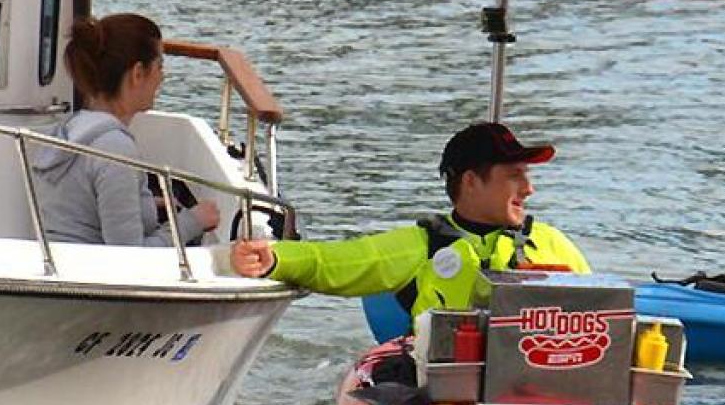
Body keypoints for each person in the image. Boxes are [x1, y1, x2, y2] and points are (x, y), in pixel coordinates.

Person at [228, 120, 589, 313]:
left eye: (527, 176)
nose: (528, 189)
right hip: (452, 397)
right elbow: (338, 261)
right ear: (471, 181)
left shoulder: (552, 243)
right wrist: (274, 257)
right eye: (514, 176)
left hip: (541, 387)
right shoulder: (423, 246)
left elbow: (602, 307)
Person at [31, 13, 222, 247]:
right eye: (159, 66)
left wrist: (146, 204)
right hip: (93, 278)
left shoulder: (70, 130)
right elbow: (129, 258)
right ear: (138, 73)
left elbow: (83, 209)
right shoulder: (114, 150)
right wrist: (194, 220)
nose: (163, 77)